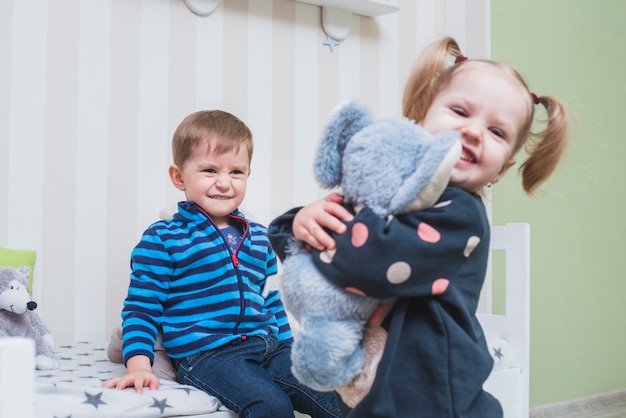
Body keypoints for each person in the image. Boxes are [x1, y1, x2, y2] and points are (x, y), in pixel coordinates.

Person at [268, 36, 568, 417]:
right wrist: (301, 222)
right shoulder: (391, 193)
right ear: (420, 116)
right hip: (376, 386)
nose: (474, 131)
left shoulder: (461, 215)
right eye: (460, 111)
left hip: (432, 395)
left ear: (503, 169)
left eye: (497, 132)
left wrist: (317, 232)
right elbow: (311, 256)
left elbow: (370, 260)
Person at [102, 110, 341, 418]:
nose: (224, 183)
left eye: (236, 172)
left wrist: (290, 348)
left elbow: (271, 302)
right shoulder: (163, 239)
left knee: (335, 396)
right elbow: (141, 308)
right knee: (272, 406)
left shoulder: (259, 237)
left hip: (269, 346)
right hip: (209, 356)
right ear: (179, 177)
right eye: (210, 170)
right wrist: (138, 366)